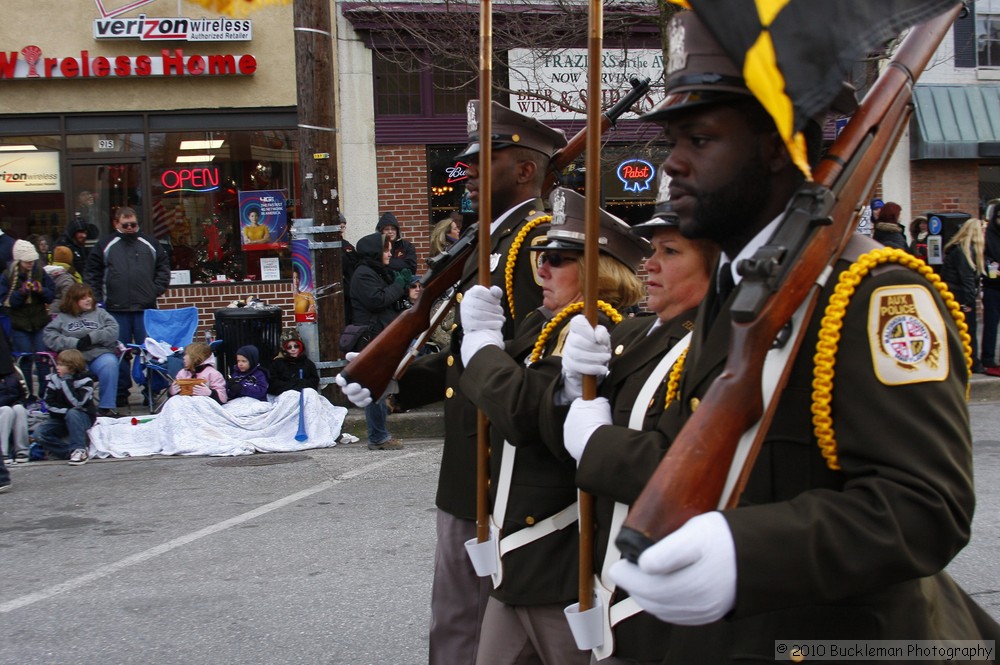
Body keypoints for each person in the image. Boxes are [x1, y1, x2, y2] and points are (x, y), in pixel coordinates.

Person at [588, 11, 999, 662]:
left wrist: (745, 552)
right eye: (674, 140)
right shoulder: (736, 286)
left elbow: (926, 504)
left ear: (776, 147)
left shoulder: (875, 294)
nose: (674, 163)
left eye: (699, 138)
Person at [338, 100, 567, 665]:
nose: (464, 173)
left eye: (484, 160)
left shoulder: (528, 245)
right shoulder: (493, 242)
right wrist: (399, 380)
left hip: (496, 466)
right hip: (474, 460)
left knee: (467, 626)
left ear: (525, 171)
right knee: (464, 621)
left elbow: (524, 361)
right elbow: (473, 354)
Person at [458, 187, 649, 665]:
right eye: (541, 255)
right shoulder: (543, 326)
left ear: (599, 270)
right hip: (518, 560)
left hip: (557, 554)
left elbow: (523, 411)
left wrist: (481, 348)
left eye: (559, 259)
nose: (540, 268)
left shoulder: (599, 331)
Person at [544, 186, 717, 664]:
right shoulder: (633, 332)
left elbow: (687, 472)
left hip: (660, 597)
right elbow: (550, 434)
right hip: (606, 579)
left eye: (671, 251)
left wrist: (595, 442)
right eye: (653, 250)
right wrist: (566, 386)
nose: (650, 265)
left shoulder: (718, 348)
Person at [85, 206, 171, 408]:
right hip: (115, 309)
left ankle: (152, 390)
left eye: (134, 224)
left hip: (146, 308)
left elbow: (164, 267)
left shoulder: (150, 242)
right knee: (118, 353)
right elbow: (92, 273)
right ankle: (120, 393)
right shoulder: (105, 244)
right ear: (116, 223)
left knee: (152, 352)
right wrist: (99, 300)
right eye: (126, 225)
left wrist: (155, 289)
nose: (131, 228)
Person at [349, 232, 407, 451]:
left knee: (382, 387)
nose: (389, 253)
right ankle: (378, 436)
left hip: (381, 336)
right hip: (371, 338)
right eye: (385, 249)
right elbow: (378, 300)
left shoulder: (376, 271)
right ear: (373, 251)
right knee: (375, 389)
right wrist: (399, 285)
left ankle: (380, 434)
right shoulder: (363, 274)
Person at [43, 283, 122, 417]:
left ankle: (105, 407)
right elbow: (49, 336)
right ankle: (76, 405)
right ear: (73, 300)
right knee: (67, 367)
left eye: (89, 296)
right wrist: (74, 343)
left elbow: (114, 330)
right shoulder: (62, 318)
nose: (88, 299)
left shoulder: (100, 313)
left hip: (98, 353)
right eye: (83, 297)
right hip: (74, 356)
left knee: (110, 363)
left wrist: (92, 338)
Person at [0, 239, 56, 398]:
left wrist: (41, 290)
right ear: (19, 261)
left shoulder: (40, 271)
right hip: (19, 324)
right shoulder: (7, 276)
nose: (31, 264)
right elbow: (6, 302)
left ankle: (45, 396)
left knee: (42, 360)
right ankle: (27, 396)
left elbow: (51, 295)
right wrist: (21, 293)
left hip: (39, 322)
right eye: (27, 262)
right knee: (25, 361)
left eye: (33, 261)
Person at [32, 349, 96, 466]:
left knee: (73, 413)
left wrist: (66, 381)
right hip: (60, 417)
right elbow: (49, 403)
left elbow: (77, 403)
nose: (57, 367)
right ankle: (67, 452)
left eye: (62, 365)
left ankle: (79, 450)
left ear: (72, 367)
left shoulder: (86, 381)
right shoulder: (54, 379)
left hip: (82, 417)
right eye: (58, 363)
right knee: (39, 434)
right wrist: (65, 412)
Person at [941, 218, 986, 374]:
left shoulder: (958, 249)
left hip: (955, 293)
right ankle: (972, 362)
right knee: (968, 329)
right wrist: (969, 301)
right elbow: (966, 278)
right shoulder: (964, 251)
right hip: (960, 295)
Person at [0, 331, 30, 465]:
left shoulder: (14, 372)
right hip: (3, 408)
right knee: (6, 410)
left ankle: (22, 450)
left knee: (18, 409)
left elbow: (24, 394)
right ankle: (2, 452)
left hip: (10, 404)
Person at [268, 329, 320, 396]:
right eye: (289, 347)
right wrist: (293, 385)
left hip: (305, 396)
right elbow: (273, 385)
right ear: (284, 348)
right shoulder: (276, 364)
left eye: (296, 346)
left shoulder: (308, 363)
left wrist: (302, 384)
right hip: (285, 397)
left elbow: (314, 382)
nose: (293, 349)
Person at [982, 209, 1000, 371]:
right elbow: (984, 257)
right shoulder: (989, 235)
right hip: (993, 286)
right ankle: (988, 358)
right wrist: (993, 268)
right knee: (991, 324)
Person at [44, 245, 83, 315]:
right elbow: (69, 299)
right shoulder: (66, 277)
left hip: (49, 312)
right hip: (62, 314)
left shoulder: (46, 272)